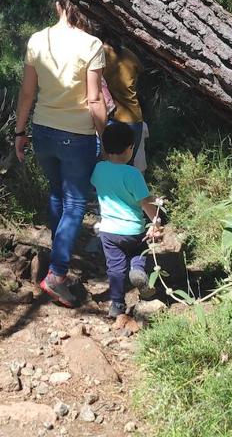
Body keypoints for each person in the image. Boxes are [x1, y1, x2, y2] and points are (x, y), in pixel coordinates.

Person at [14, 0, 107, 308]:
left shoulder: (38, 40)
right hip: (77, 134)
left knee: (57, 194)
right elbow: (94, 100)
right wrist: (105, 135)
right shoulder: (91, 44)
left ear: (57, 6)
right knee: (76, 202)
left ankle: (59, 259)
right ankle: (57, 273)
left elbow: (27, 92)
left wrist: (19, 131)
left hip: (43, 130)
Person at [90, 122, 162, 318]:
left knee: (115, 267)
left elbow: (94, 185)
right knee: (139, 250)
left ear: (105, 147)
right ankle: (137, 270)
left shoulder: (99, 170)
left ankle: (117, 305)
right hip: (134, 229)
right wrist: (156, 221)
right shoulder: (133, 174)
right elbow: (145, 202)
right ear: (130, 148)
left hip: (109, 231)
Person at [100, 35, 148, 172]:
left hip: (110, 117)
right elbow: (138, 76)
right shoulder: (130, 55)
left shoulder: (99, 53)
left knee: (107, 169)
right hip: (133, 117)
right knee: (128, 169)